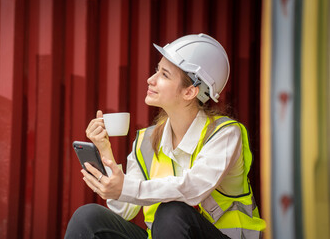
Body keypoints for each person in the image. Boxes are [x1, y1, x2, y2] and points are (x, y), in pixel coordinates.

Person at [65, 33, 266, 239]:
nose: (150, 80)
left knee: (172, 213)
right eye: (156, 70)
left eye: (164, 74)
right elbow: (124, 210)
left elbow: (193, 189)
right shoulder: (146, 141)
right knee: (88, 217)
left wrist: (125, 187)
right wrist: (104, 149)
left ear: (189, 92)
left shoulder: (224, 134)